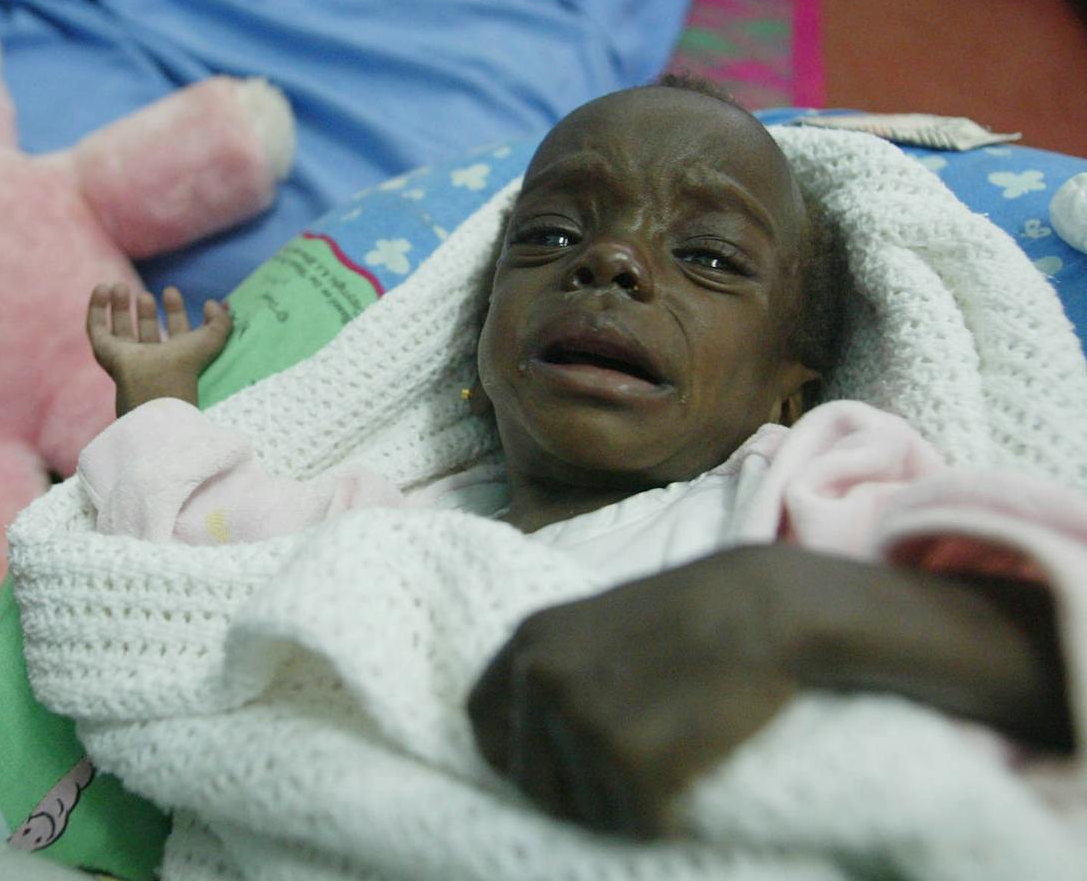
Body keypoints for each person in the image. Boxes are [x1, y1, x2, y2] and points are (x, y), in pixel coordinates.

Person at [79, 77, 1075, 839]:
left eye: (711, 258)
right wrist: (158, 391)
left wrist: (781, 607)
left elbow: (1044, 632)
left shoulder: (805, 482)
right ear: (475, 338)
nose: (613, 263)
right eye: (552, 235)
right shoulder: (387, 529)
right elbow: (189, 545)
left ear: (791, 382)